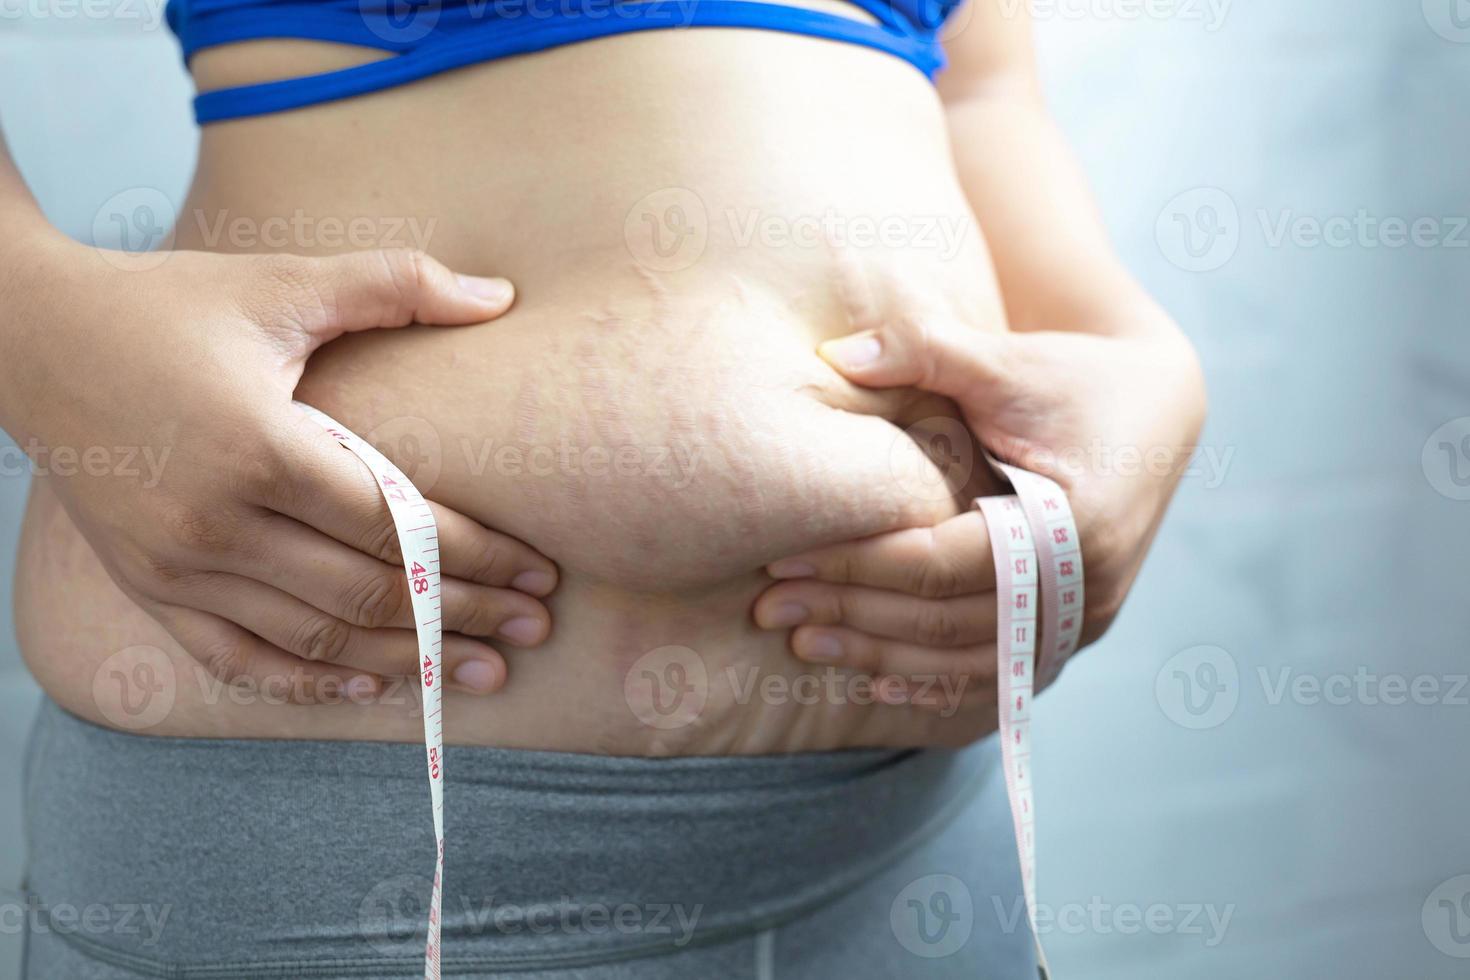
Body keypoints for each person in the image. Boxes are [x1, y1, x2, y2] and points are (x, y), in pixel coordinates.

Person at [2, 0, 1205, 975]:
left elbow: (980, 85)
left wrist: (1141, 363)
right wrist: (30, 319)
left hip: (912, 837)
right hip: (335, 833)